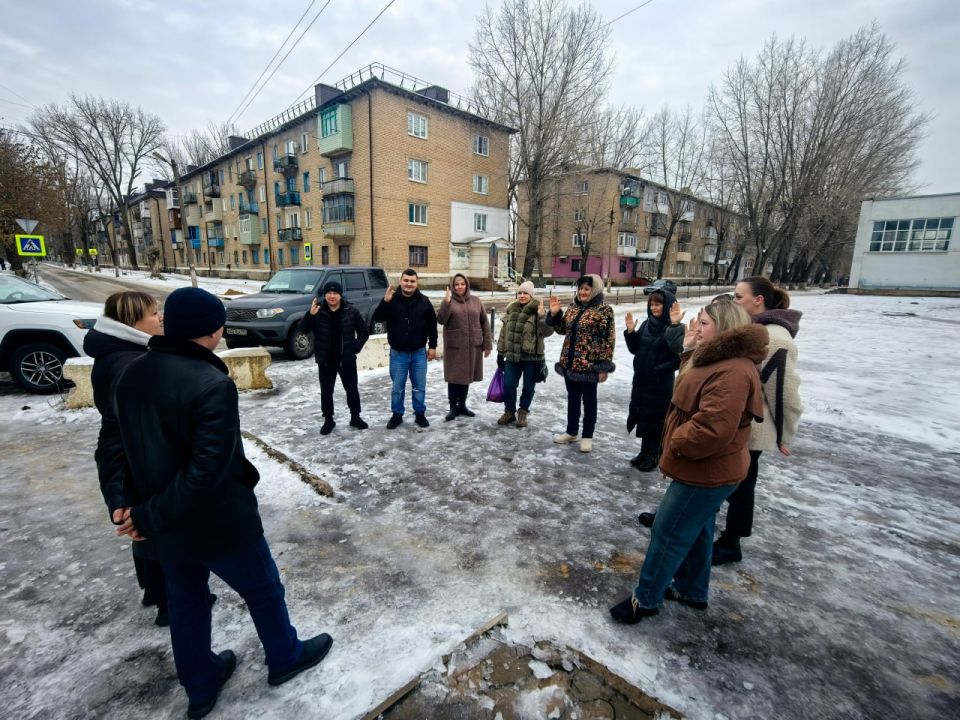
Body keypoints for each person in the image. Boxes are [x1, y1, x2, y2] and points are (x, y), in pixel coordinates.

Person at [112, 287, 331, 719]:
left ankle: (200, 683)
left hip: (166, 525)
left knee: (187, 602)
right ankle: (285, 658)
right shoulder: (211, 384)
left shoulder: (132, 374)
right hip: (219, 522)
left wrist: (129, 506)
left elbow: (116, 446)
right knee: (263, 589)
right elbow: (206, 473)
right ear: (212, 332)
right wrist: (145, 515)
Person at [610, 301, 767, 623]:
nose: (697, 326)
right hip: (709, 467)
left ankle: (647, 599)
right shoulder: (718, 359)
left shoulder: (733, 371)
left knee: (668, 532)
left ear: (724, 328)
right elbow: (691, 384)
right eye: (698, 320)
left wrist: (676, 442)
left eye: (705, 322)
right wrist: (691, 347)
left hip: (705, 470)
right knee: (696, 529)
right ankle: (692, 589)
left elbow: (712, 429)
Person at [83, 291, 169, 626]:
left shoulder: (118, 353)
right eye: (153, 313)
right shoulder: (131, 364)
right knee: (154, 524)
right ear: (132, 321)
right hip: (146, 459)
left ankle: (151, 589)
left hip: (135, 459)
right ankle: (168, 603)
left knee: (141, 524)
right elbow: (120, 430)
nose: (159, 318)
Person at [713, 276, 802, 565]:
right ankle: (695, 521)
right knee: (722, 478)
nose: (734, 301)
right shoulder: (755, 329)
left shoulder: (775, 337)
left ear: (758, 300)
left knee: (741, 485)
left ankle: (731, 542)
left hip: (753, 428)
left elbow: (784, 392)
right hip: (737, 422)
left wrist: (785, 435)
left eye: (739, 296)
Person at [546, 274, 616, 453]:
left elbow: (608, 340)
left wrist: (603, 367)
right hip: (569, 363)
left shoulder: (604, 310)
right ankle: (571, 432)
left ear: (595, 290)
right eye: (581, 288)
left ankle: (587, 436)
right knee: (573, 399)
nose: (583, 292)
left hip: (590, 365)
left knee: (589, 401)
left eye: (587, 289)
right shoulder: (573, 307)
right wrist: (555, 315)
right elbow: (563, 330)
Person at [298, 279, 370, 434]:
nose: (332, 296)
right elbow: (303, 330)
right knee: (326, 391)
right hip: (326, 360)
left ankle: (355, 417)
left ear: (340, 295)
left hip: (347, 360)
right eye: (329, 293)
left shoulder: (351, 311)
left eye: (335, 293)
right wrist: (310, 315)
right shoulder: (317, 311)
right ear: (325, 295)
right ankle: (328, 420)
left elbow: (364, 331)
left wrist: (355, 348)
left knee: (351, 389)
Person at [624, 290, 685, 471]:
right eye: (651, 304)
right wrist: (631, 332)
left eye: (658, 304)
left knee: (656, 421)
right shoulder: (646, 324)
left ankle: (654, 455)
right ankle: (644, 452)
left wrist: (656, 370)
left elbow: (678, 358)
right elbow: (635, 349)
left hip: (659, 384)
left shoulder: (673, 328)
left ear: (666, 306)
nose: (654, 307)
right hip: (642, 382)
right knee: (644, 418)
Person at [372, 268, 438, 429]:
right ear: (401, 281)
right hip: (398, 354)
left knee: (419, 386)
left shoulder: (424, 301)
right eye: (406, 281)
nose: (409, 284)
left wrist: (433, 346)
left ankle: (420, 413)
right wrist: (385, 302)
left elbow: (432, 325)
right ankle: (397, 415)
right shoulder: (391, 300)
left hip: (418, 353)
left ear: (417, 283)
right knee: (397, 387)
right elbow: (377, 319)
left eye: (412, 281)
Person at [495, 281, 554, 428]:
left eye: (525, 293)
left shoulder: (537, 311)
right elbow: (504, 333)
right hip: (512, 356)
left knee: (528, 387)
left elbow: (547, 332)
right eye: (520, 293)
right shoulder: (511, 309)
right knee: (508, 385)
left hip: (532, 357)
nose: (522, 296)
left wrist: (542, 317)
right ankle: (509, 412)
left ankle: (523, 412)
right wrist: (500, 352)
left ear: (531, 295)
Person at [436, 273, 492, 421]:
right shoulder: (449, 301)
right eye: (456, 284)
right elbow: (441, 319)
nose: (460, 287)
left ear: (466, 285)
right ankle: (453, 407)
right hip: (455, 347)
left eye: (462, 284)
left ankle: (462, 405)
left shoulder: (476, 301)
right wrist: (446, 303)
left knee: (466, 376)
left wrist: (487, 344)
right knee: (454, 378)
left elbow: (484, 322)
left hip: (473, 346)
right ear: (453, 287)